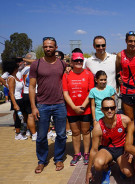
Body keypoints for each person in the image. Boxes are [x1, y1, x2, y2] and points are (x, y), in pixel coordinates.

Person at [29, 37, 67, 173]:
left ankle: (58, 159)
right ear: (43, 47)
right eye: (45, 46)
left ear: (56, 47)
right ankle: (42, 161)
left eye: (50, 46)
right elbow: (32, 87)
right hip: (42, 105)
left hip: (60, 104)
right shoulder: (36, 64)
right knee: (41, 136)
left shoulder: (62, 64)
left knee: (61, 134)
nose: (48, 49)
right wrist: (34, 107)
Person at [86, 97, 133, 184]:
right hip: (107, 149)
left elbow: (132, 136)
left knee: (128, 173)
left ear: (115, 108)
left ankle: (121, 167)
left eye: (112, 108)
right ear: (102, 110)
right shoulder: (98, 127)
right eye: (106, 108)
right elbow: (93, 150)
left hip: (122, 148)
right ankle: (106, 170)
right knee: (98, 164)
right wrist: (89, 172)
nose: (109, 110)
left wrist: (130, 150)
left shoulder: (125, 120)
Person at [62, 48, 94, 166]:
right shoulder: (66, 75)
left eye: (80, 60)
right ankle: (76, 154)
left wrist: (83, 106)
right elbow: (65, 93)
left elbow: (91, 92)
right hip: (72, 109)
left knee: (85, 131)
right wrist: (74, 107)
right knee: (75, 133)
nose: (78, 63)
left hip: (85, 109)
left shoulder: (88, 74)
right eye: (76, 61)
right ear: (71, 62)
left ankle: (86, 153)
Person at [2, 59, 27, 140]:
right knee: (18, 118)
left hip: (20, 99)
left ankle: (20, 132)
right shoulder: (12, 78)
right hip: (16, 100)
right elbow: (11, 93)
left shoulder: (14, 77)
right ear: (14, 69)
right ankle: (17, 134)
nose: (18, 68)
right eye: (17, 67)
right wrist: (15, 104)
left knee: (20, 117)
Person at [21, 52, 38, 140]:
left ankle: (33, 134)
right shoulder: (36, 67)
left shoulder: (23, 69)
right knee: (41, 114)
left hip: (26, 93)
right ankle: (46, 132)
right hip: (35, 92)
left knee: (29, 115)